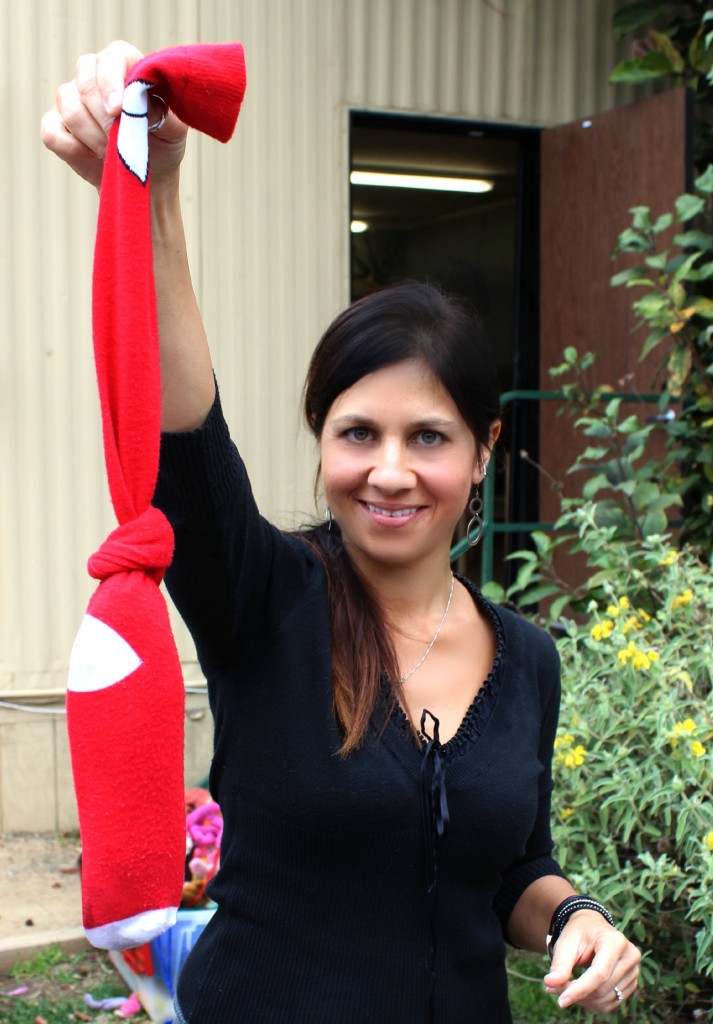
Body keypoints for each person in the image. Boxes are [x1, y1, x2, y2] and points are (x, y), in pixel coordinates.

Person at [42, 41, 641, 1024]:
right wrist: (153, 197)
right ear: (322, 442)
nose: (391, 470)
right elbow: (186, 442)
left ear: (484, 449)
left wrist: (574, 912)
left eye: (429, 437)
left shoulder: (526, 658)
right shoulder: (265, 596)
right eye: (357, 432)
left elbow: (510, 869)